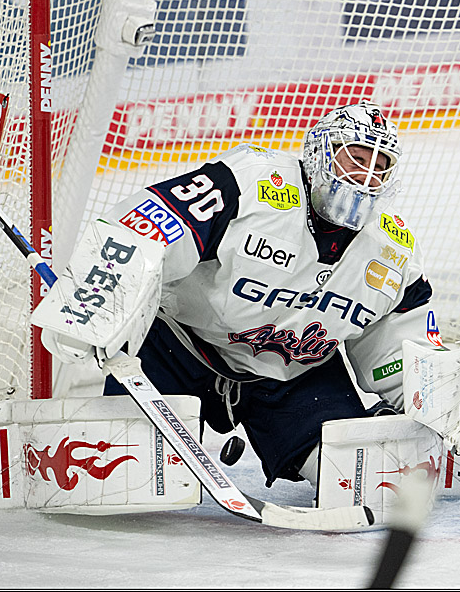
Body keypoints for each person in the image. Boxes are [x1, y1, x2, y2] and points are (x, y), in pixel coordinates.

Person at [43, 102, 439, 489]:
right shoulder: (250, 183)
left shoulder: (392, 251)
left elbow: (396, 354)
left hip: (292, 373)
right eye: (354, 157)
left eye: (379, 166)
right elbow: (145, 226)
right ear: (320, 155)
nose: (366, 175)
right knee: (130, 480)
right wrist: (90, 305)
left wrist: (440, 406)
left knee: (358, 478)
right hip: (179, 350)